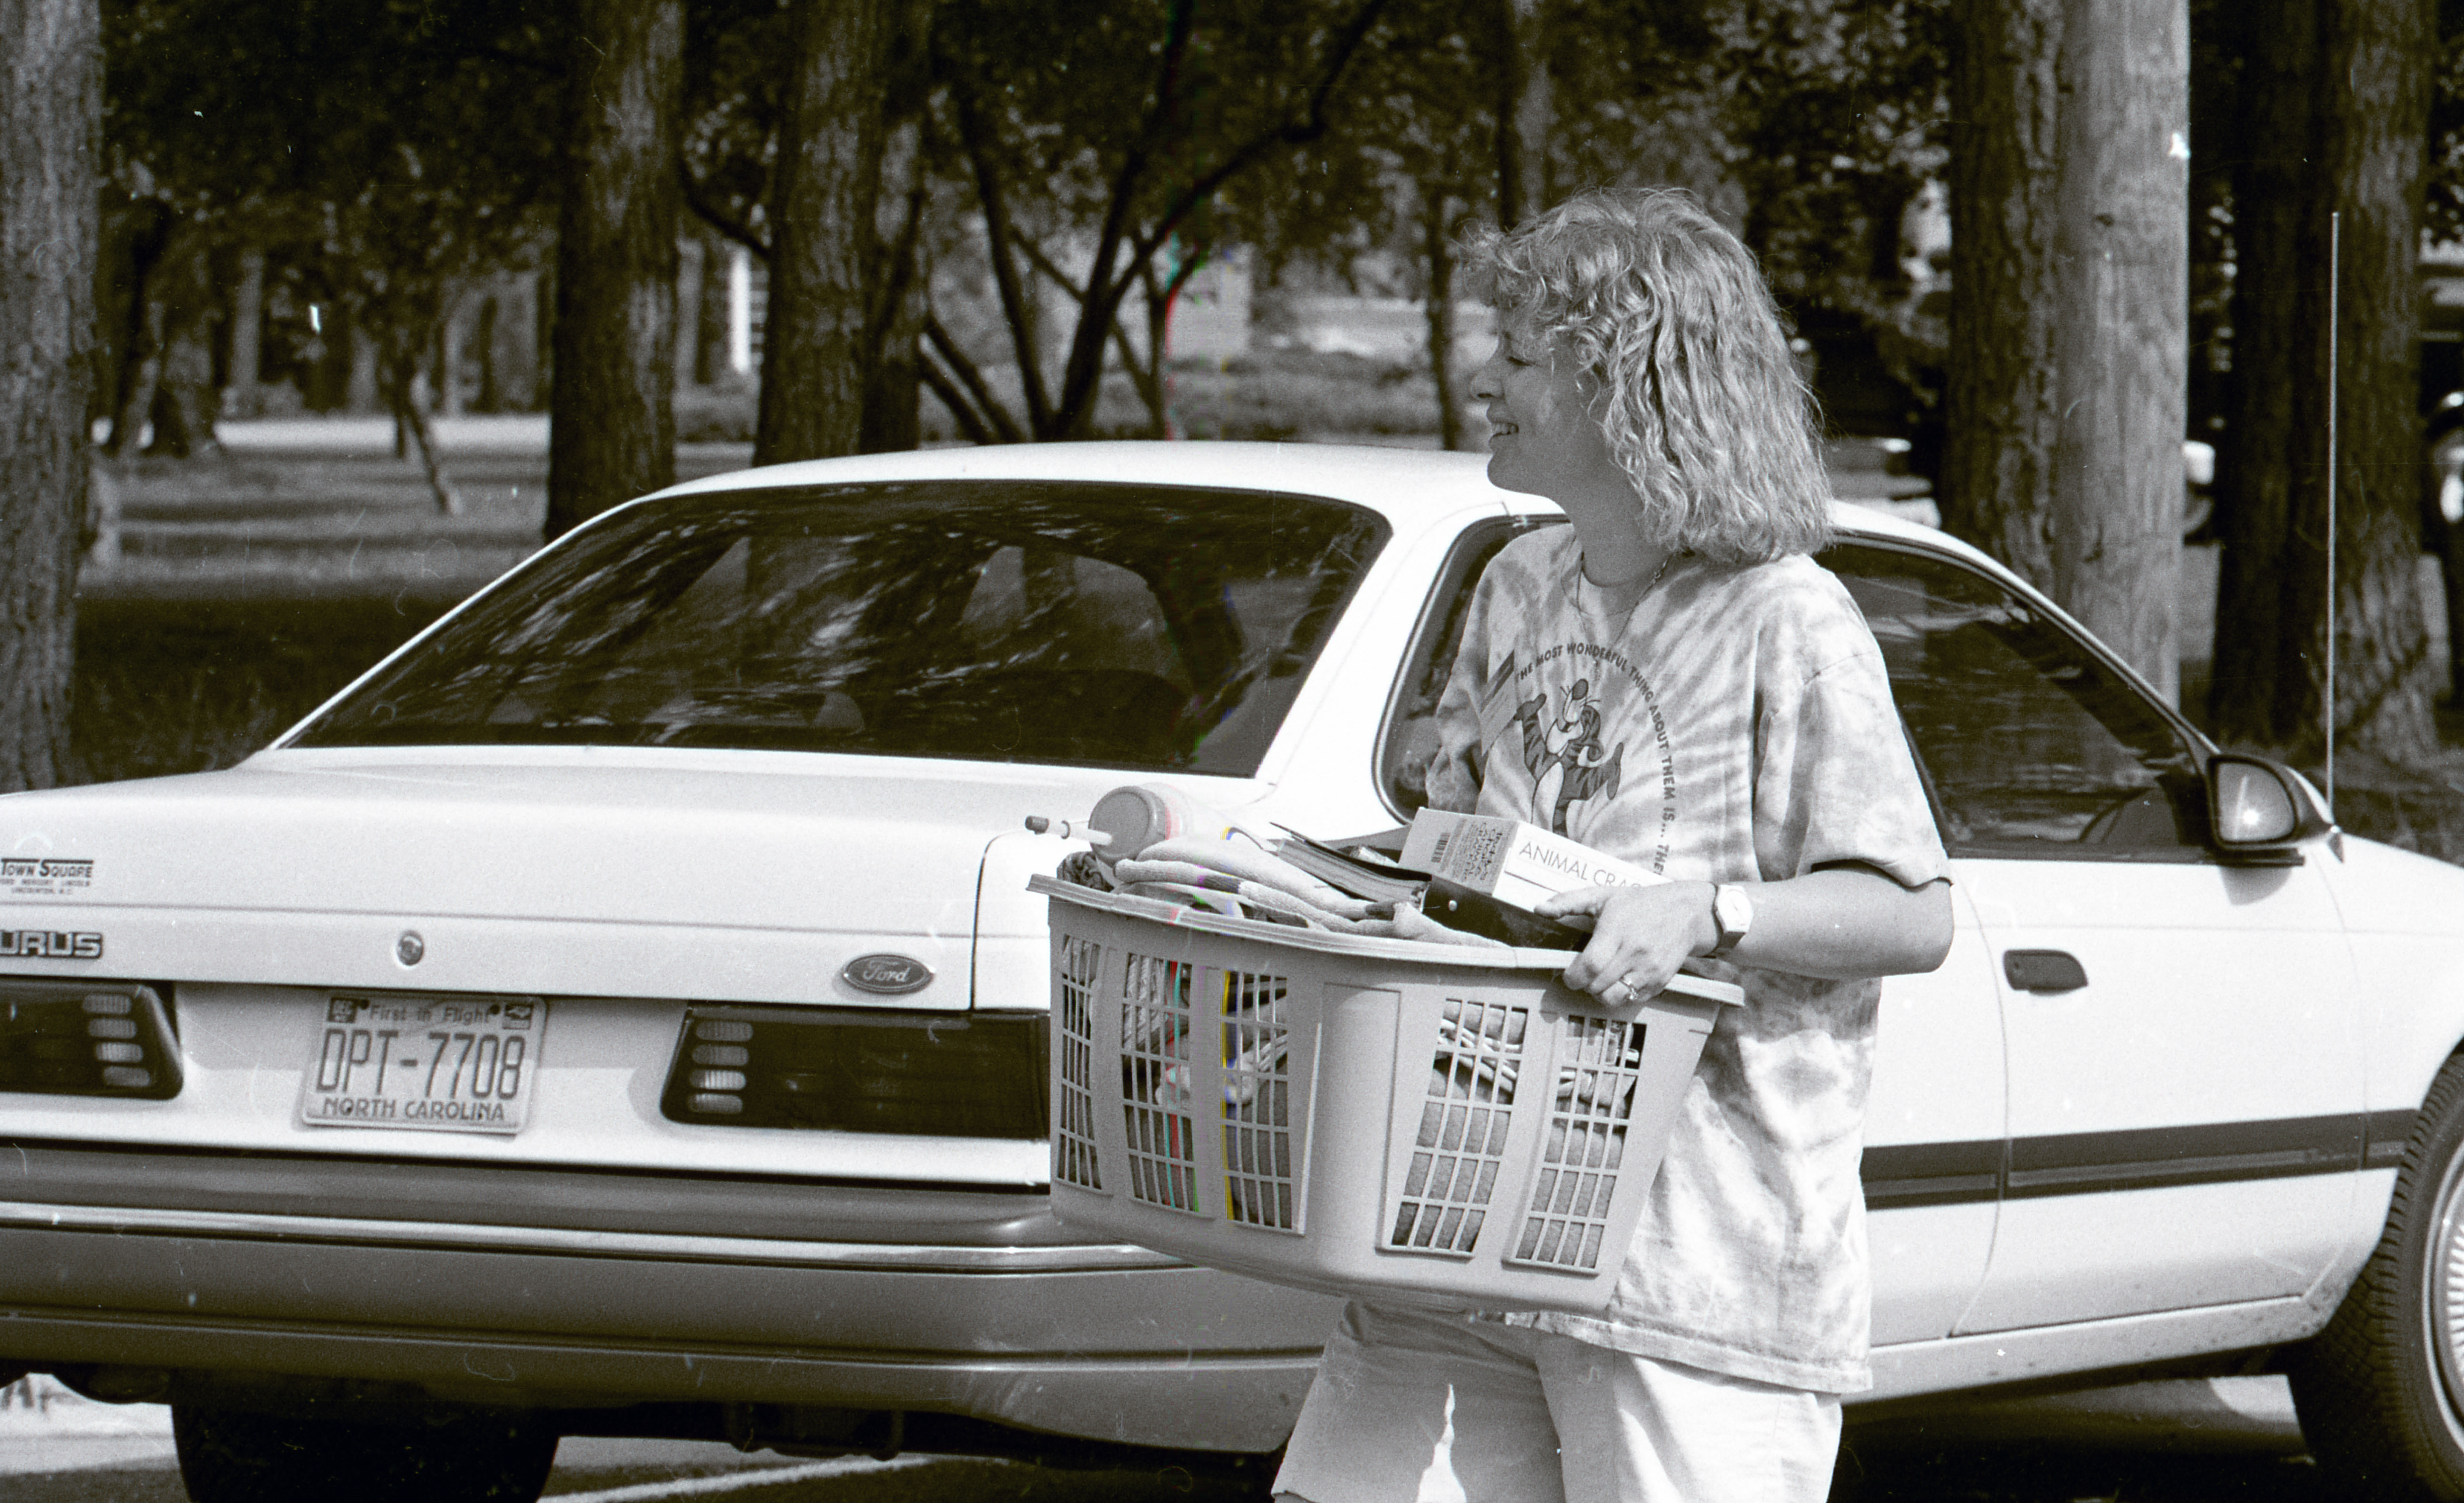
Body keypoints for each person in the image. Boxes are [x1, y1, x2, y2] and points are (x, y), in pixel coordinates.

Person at [1270, 187, 1954, 1503]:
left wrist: (1712, 914)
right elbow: (1472, 855)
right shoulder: (1518, 583)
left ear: (1628, 382)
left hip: (1696, 1271)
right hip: (1468, 1221)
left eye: (1521, 356)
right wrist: (1350, 891)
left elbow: (1909, 913)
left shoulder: (1788, 620)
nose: (1486, 379)